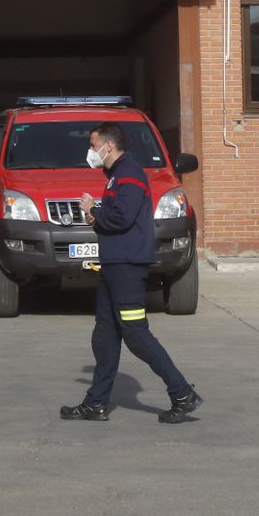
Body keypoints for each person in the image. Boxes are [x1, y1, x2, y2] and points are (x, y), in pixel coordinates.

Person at [60, 121, 202, 424]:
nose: (90, 150)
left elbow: (122, 217)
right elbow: (116, 217)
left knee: (136, 334)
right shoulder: (115, 177)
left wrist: (94, 211)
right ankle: (95, 404)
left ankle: (182, 393)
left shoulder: (129, 174)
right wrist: (96, 215)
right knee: (105, 335)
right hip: (113, 266)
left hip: (126, 268)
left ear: (107, 146)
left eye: (92, 144)